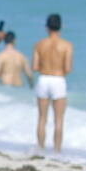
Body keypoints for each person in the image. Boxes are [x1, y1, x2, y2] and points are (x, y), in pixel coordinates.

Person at [31, 13, 73, 153]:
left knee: (42, 118)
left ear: (46, 27)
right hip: (58, 79)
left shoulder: (39, 45)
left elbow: (35, 67)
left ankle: (40, 149)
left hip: (43, 79)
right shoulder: (67, 45)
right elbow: (68, 68)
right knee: (59, 120)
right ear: (61, 26)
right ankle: (57, 151)